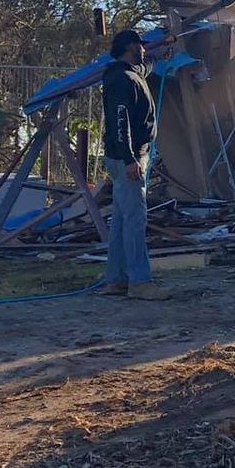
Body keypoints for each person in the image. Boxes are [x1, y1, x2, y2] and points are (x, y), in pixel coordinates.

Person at [100, 28, 161, 298]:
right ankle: (139, 282)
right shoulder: (123, 80)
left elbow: (146, 68)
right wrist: (131, 159)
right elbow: (120, 122)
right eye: (141, 46)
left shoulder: (128, 75)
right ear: (130, 47)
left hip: (123, 157)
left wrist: (166, 46)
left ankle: (116, 280)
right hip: (129, 159)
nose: (144, 50)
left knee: (121, 220)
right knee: (135, 219)